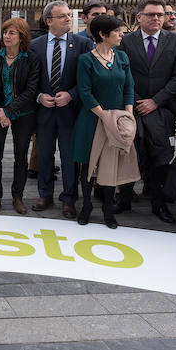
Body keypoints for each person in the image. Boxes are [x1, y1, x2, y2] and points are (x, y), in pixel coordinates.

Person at [116, 0, 176, 223]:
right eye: (151, 14)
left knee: (161, 157)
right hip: (132, 107)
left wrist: (155, 101)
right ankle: (125, 198)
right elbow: (121, 74)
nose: (156, 18)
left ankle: (159, 203)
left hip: (163, 109)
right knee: (129, 153)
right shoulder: (126, 41)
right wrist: (138, 101)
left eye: (160, 14)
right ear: (139, 18)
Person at [30, 1, 95, 218]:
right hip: (44, 111)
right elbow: (28, 80)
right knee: (45, 155)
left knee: (69, 158)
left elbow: (88, 78)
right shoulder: (35, 45)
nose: (69, 19)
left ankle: (69, 198)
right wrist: (39, 96)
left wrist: (72, 94)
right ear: (49, 21)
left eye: (69, 15)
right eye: (63, 16)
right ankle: (45, 194)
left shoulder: (83, 44)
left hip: (71, 112)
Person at [72, 15, 136, 229]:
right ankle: (87, 205)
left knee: (112, 165)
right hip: (92, 119)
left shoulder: (123, 58)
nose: (122, 35)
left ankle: (109, 208)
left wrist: (127, 115)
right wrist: (105, 116)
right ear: (102, 35)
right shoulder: (86, 60)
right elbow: (85, 92)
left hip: (118, 120)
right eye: (118, 31)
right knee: (87, 165)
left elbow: (129, 87)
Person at [0, 18, 40, 214]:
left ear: (22, 37)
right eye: (5, 32)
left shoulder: (31, 58)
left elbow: (31, 90)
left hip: (23, 113)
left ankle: (18, 196)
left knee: (20, 156)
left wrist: (9, 111)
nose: (7, 36)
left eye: (12, 33)